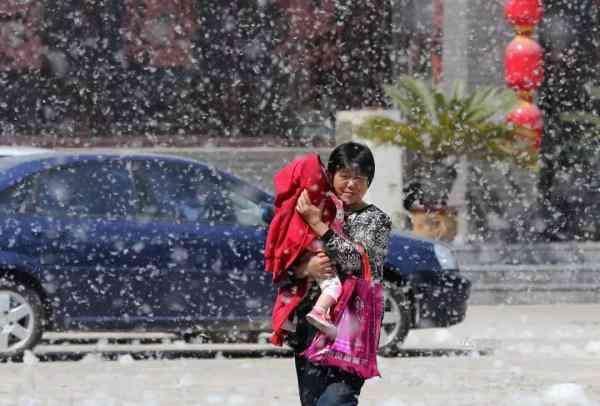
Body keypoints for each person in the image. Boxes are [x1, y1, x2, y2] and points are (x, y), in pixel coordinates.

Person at [289, 141, 393, 406]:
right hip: (312, 324)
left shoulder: (375, 220)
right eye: (344, 176)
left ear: (368, 182)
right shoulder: (314, 209)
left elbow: (358, 261)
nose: (351, 184)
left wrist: (318, 225)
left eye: (359, 178)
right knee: (312, 402)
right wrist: (305, 269)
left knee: (335, 401)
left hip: (352, 325)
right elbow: (284, 264)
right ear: (331, 175)